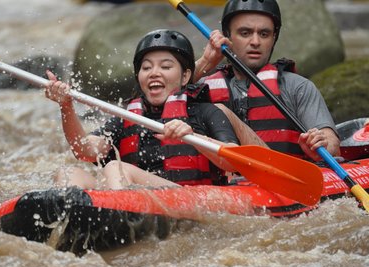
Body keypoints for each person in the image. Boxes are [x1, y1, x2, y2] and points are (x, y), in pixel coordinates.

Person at [45, 29, 241, 190]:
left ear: (185, 76)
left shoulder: (205, 112)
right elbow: (84, 150)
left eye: (165, 66)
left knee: (116, 168)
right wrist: (66, 107)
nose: (154, 73)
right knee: (69, 173)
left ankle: (118, 218)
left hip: (190, 199)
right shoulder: (126, 119)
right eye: (146, 68)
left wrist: (195, 137)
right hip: (139, 200)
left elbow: (235, 161)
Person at [194, 0, 340, 161]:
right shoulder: (202, 87)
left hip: (283, 179)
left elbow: (332, 144)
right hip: (225, 183)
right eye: (245, 33)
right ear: (227, 36)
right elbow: (167, 100)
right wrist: (204, 62)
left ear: (274, 38)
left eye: (264, 34)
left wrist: (322, 144)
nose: (255, 42)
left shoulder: (298, 87)